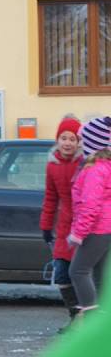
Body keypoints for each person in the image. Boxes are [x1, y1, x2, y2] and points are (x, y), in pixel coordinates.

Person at [39, 116, 81, 328]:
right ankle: (75, 316)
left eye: (72, 139)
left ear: (78, 142)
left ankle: (87, 321)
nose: (67, 143)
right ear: (58, 140)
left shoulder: (84, 163)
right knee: (62, 273)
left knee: (81, 274)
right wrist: (46, 226)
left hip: (85, 226)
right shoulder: (52, 165)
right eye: (64, 138)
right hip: (64, 227)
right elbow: (50, 198)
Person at [68, 116, 111, 316]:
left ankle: (93, 320)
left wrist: (78, 233)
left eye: (83, 140)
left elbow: (90, 206)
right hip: (106, 228)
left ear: (93, 142)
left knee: (77, 271)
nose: (80, 144)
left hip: (97, 229)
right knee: (100, 275)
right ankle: (103, 322)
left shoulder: (94, 170)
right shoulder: (105, 166)